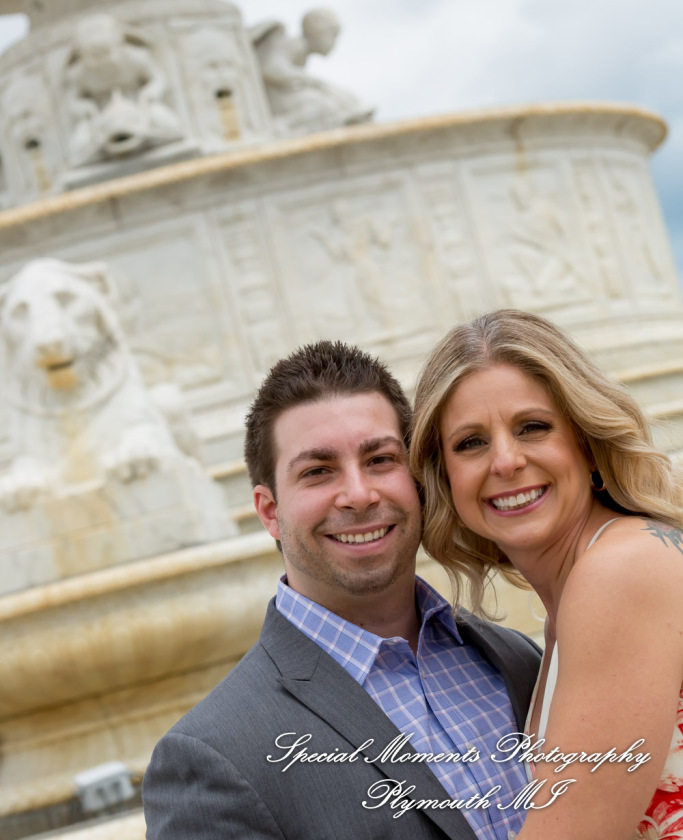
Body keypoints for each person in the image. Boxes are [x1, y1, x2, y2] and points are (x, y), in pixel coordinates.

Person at [143, 339, 541, 840]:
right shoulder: (214, 758)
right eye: (317, 471)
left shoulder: (516, 661)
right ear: (269, 511)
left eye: (379, 459)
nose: (358, 494)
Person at [410, 309, 683, 840]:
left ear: (584, 440)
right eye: (471, 443)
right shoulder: (582, 589)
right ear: (445, 476)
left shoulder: (619, 572)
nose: (506, 461)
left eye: (532, 427)